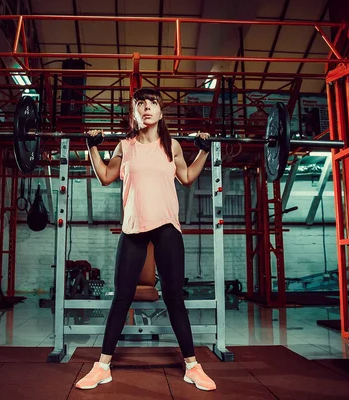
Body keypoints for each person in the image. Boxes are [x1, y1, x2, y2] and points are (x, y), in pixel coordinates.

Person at [74, 88, 216, 391]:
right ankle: (103, 367)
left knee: (175, 297)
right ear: (134, 114)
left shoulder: (172, 145)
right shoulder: (125, 147)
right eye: (141, 104)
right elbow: (105, 177)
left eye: (152, 103)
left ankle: (193, 366)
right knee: (121, 298)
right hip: (133, 228)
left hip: (166, 227)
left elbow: (188, 177)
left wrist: (204, 150)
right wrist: (92, 147)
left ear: (161, 113)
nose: (147, 108)